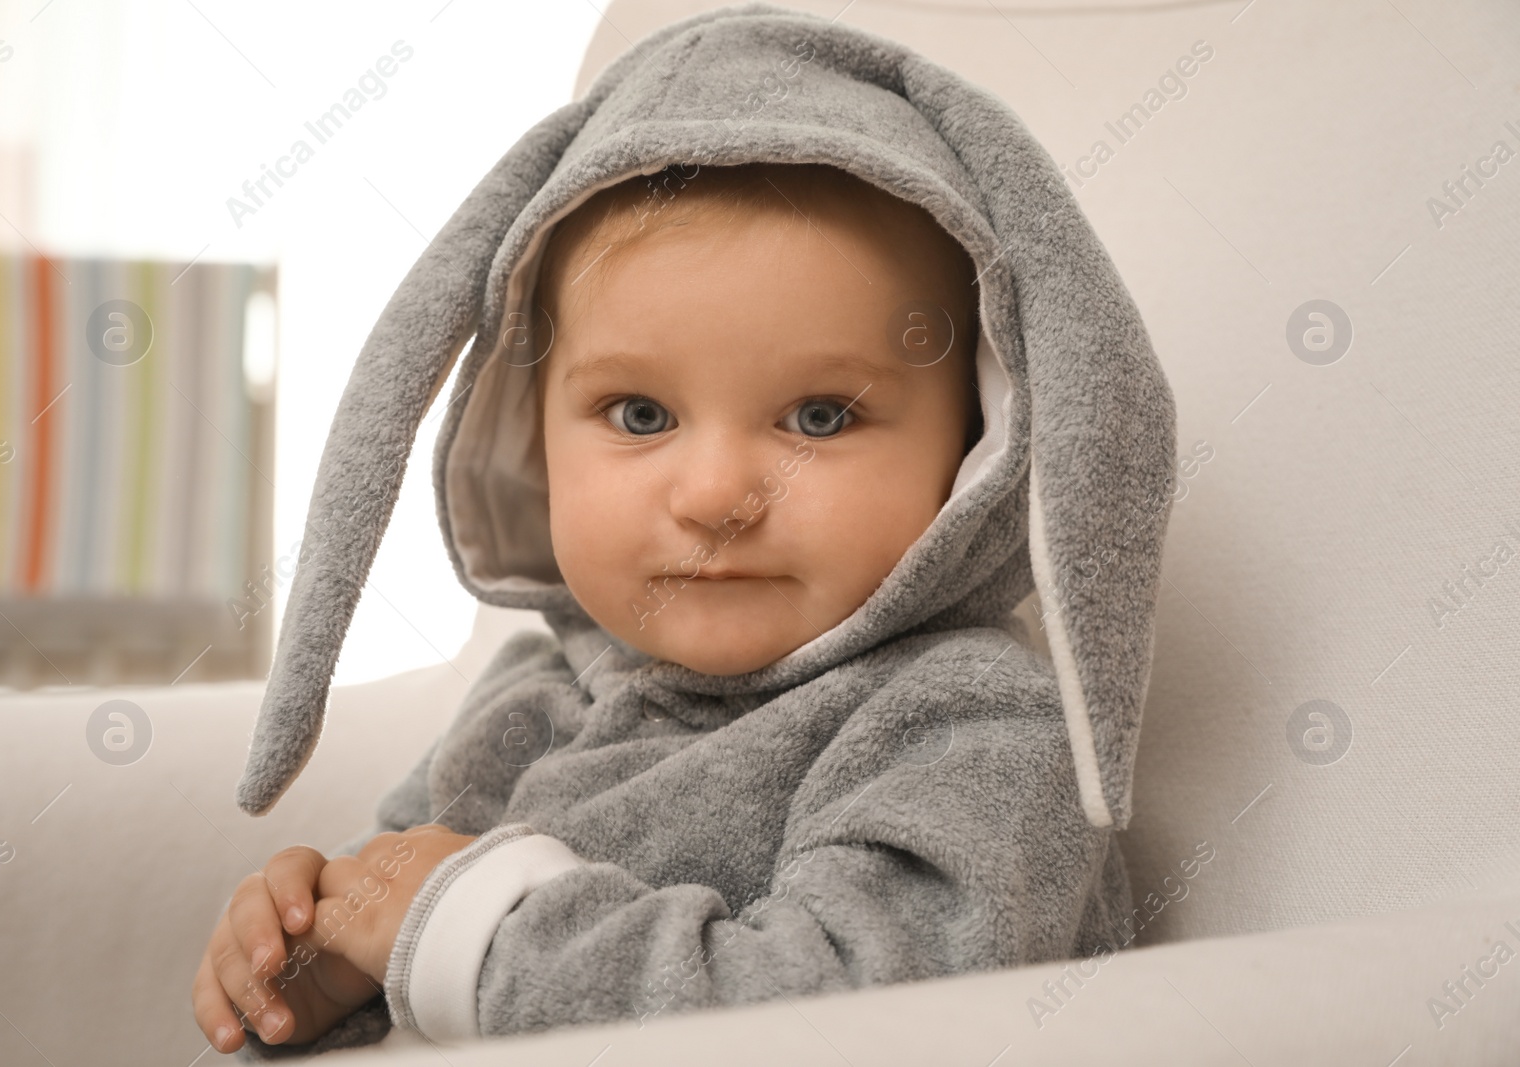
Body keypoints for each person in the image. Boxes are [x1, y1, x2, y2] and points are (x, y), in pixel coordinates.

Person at [192, 5, 1177, 1057]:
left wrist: (471, 924)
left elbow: (851, 1016)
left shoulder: (972, 728)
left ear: (977, 445)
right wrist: (314, 956)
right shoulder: (531, 699)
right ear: (531, 433)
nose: (716, 495)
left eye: (820, 416)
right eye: (640, 415)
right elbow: (403, 920)